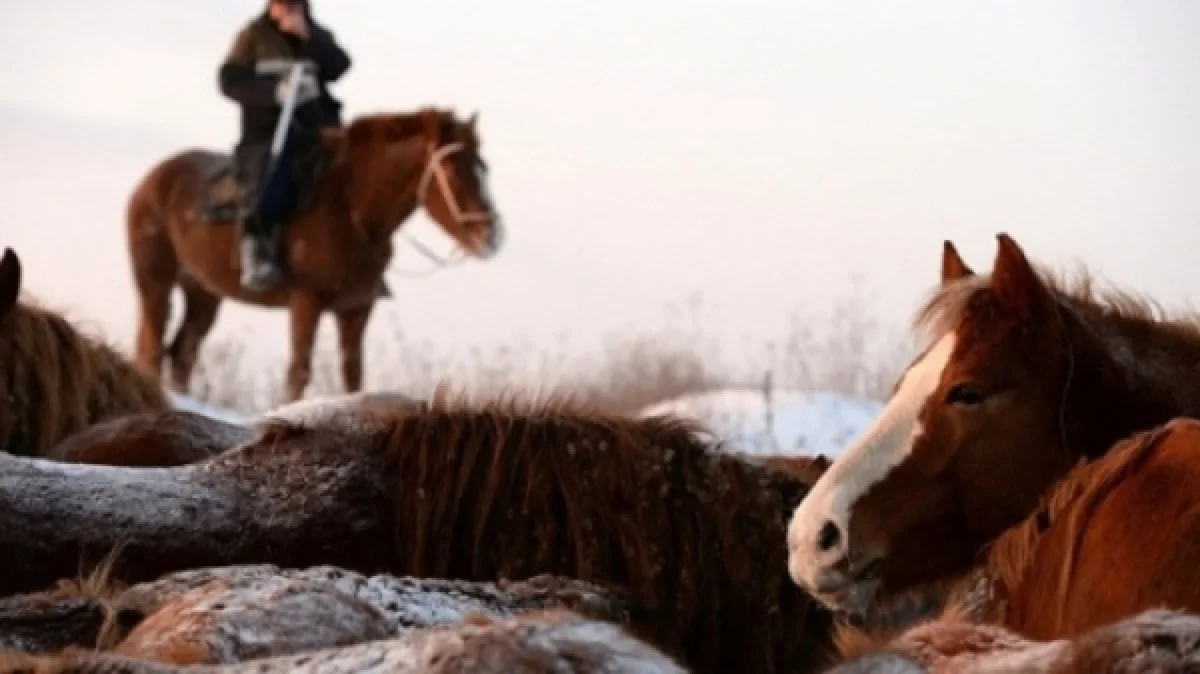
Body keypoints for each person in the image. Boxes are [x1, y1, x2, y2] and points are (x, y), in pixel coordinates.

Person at [218, 0, 351, 291]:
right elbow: (228, 80)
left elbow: (340, 66)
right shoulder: (252, 35)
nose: (289, 9)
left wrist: (309, 38)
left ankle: (356, 252)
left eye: (295, 4)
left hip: (318, 124)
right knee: (269, 172)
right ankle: (256, 249)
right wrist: (273, 93)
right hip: (268, 128)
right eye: (282, 4)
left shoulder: (317, 34)